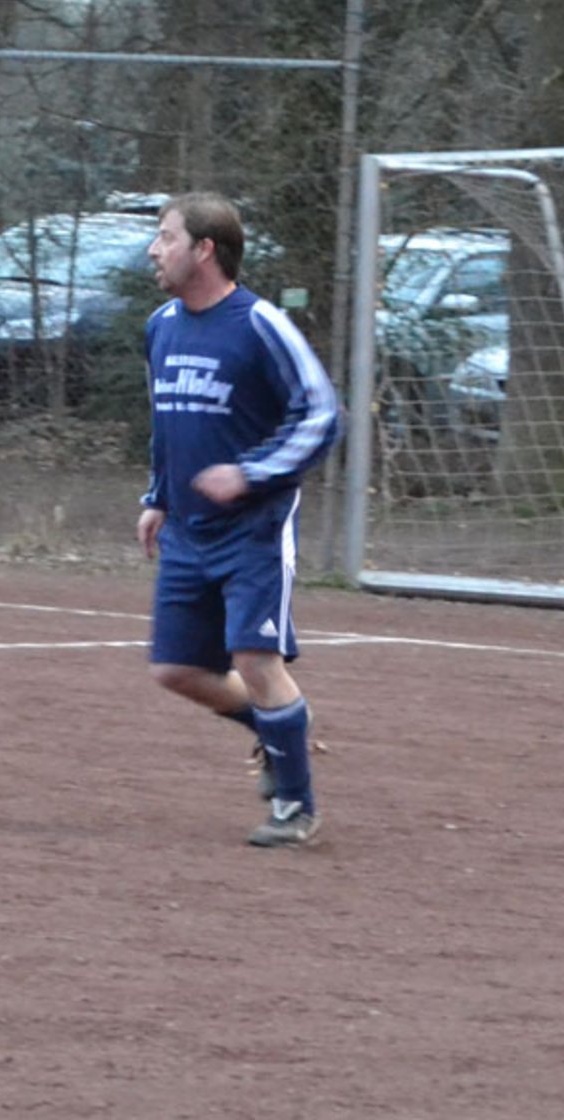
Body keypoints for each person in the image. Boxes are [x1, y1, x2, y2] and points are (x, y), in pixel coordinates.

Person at [136, 193, 342, 847]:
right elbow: (169, 421)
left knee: (255, 658)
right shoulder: (161, 326)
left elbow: (319, 414)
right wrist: (158, 495)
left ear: (204, 249)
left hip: (253, 527)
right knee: (176, 669)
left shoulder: (260, 324)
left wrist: (250, 474)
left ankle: (296, 805)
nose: (153, 248)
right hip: (188, 530)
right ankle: (272, 728)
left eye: (166, 236)